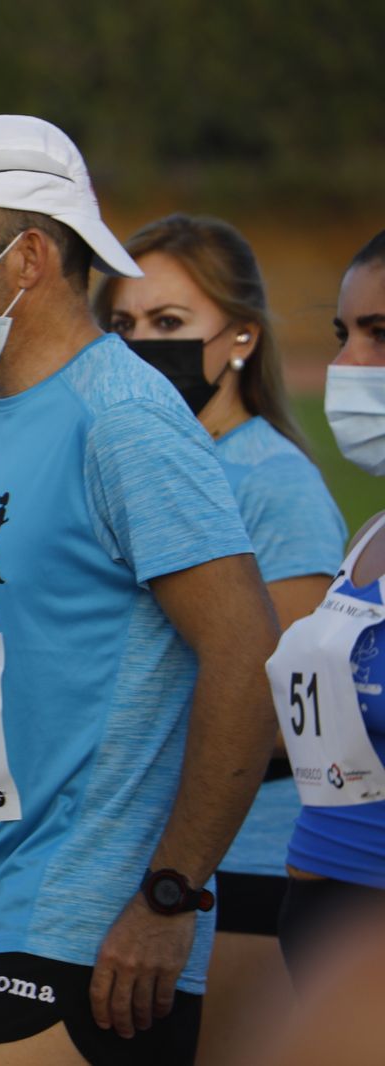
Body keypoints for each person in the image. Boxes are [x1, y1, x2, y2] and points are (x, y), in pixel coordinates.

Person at [0, 115, 279, 1065]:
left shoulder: (125, 421)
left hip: (90, 934)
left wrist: (170, 895)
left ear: (29, 260)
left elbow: (247, 653)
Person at [93, 214, 347, 1062]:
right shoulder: (134, 465)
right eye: (122, 326)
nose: (139, 347)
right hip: (147, 850)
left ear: (240, 335)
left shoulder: (274, 482)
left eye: (169, 324)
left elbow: (293, 715)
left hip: (242, 865)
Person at [267, 228, 385, 984]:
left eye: (381, 335)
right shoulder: (371, 532)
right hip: (319, 938)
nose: (346, 366)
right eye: (343, 334)